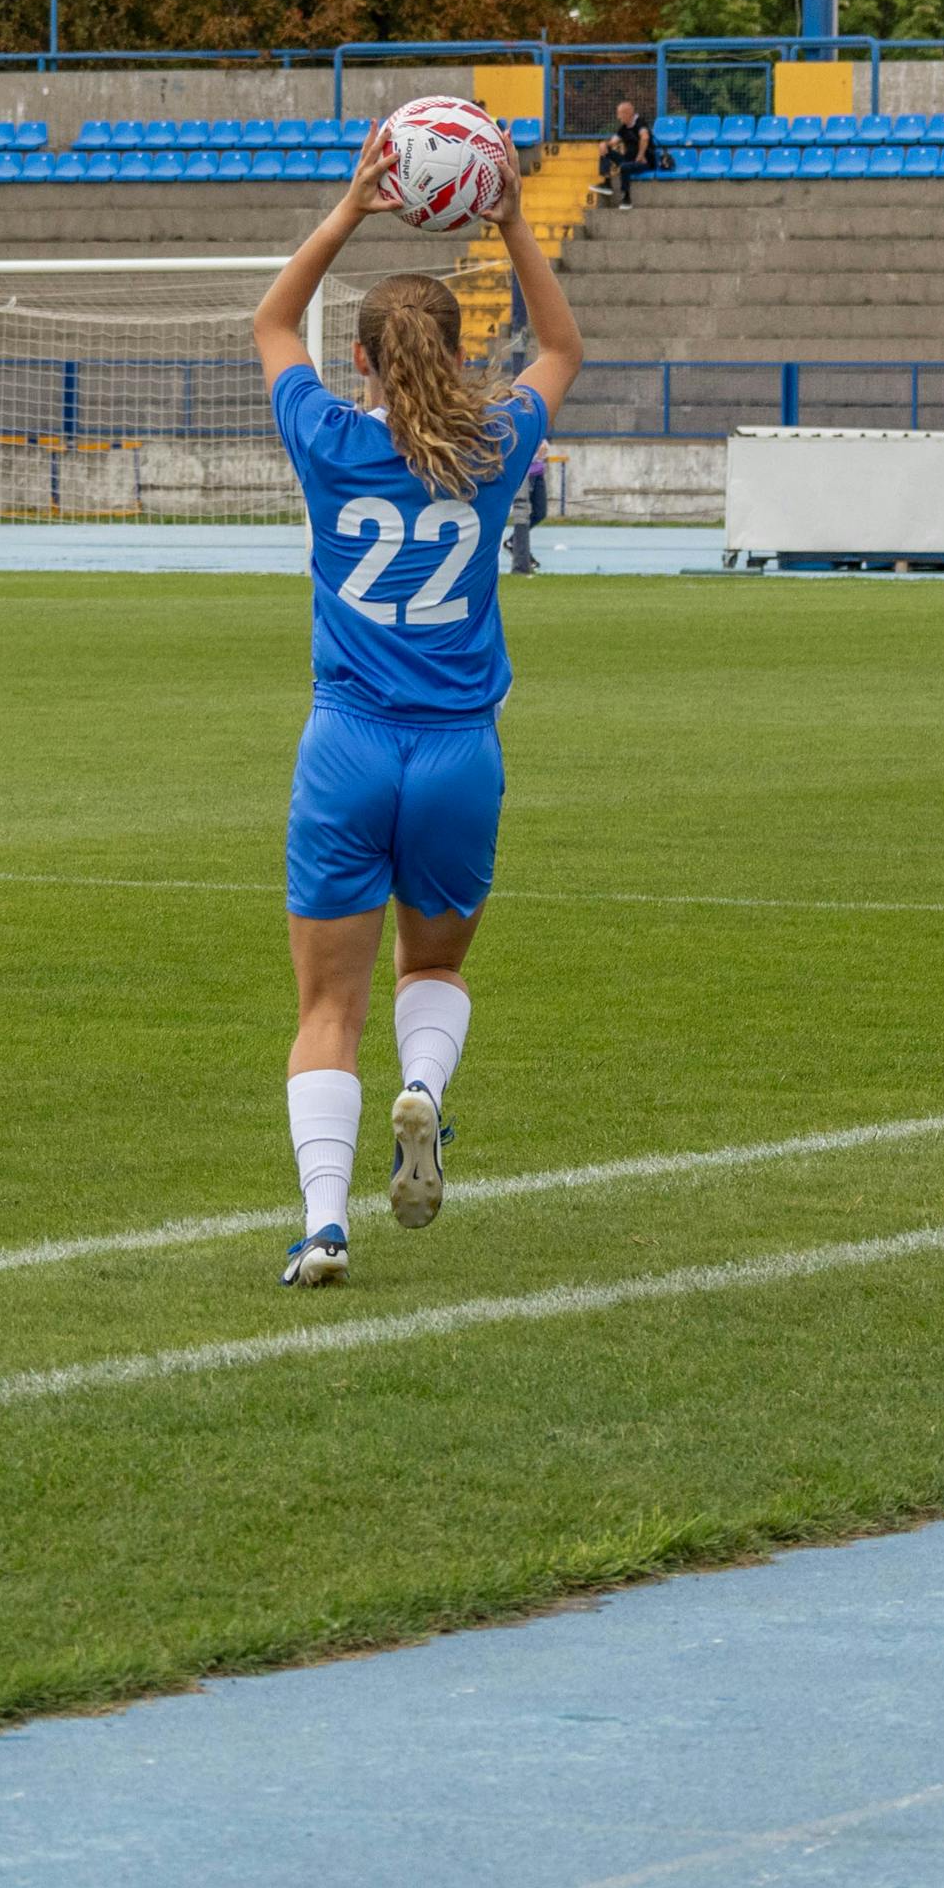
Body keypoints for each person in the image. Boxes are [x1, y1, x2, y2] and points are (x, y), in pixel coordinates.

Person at [250, 129, 582, 1288]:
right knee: (428, 973)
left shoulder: (332, 438)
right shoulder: (496, 445)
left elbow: (269, 325)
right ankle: (426, 1092)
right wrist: (507, 221)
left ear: (361, 358)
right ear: (458, 346)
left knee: (325, 1005)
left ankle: (323, 1221)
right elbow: (565, 344)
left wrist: (347, 208)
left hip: (346, 744)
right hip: (457, 754)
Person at [597, 99, 661, 208]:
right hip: (629, 160)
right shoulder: (623, 128)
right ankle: (607, 183)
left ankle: (626, 198)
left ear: (627, 113)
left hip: (644, 161)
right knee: (605, 151)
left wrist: (640, 155)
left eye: (620, 114)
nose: (618, 117)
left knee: (624, 167)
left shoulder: (640, 123)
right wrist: (604, 144)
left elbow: (644, 137)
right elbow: (613, 142)